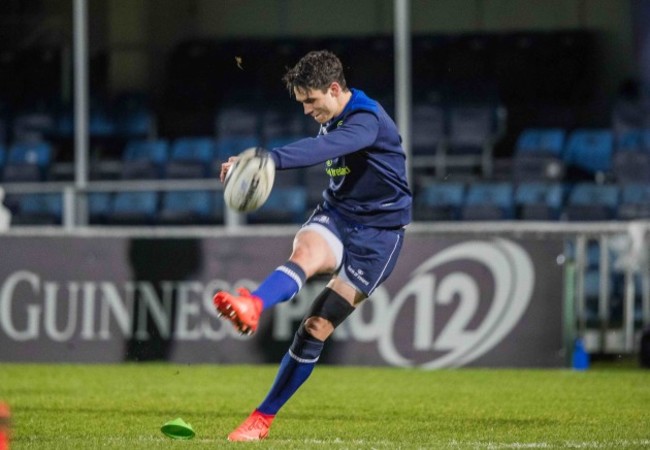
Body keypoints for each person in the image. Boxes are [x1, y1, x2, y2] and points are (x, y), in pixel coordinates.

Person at [213, 50, 412, 442]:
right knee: (305, 253)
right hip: (337, 215)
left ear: (334, 89)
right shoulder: (333, 114)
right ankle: (253, 304)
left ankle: (263, 415)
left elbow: (322, 149)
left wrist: (265, 159)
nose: (306, 110)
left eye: (311, 101)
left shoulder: (367, 119)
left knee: (315, 327)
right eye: (302, 102)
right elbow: (319, 143)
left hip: (379, 234)